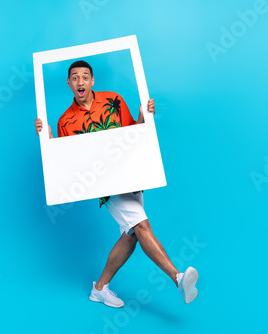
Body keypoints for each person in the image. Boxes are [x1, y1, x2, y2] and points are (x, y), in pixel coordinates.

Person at [35, 60, 199, 307]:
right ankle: (178, 278)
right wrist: (47, 139)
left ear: (92, 81)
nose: (80, 81)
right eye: (75, 77)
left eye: (85, 76)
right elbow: (66, 163)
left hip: (131, 176)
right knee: (141, 225)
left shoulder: (114, 99)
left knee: (130, 235)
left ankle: (99, 289)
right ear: (69, 83)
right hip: (105, 185)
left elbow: (133, 131)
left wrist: (145, 115)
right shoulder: (65, 121)